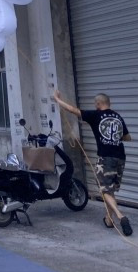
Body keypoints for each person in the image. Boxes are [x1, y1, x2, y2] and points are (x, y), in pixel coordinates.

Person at [53, 89, 133, 236]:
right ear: (109, 103)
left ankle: (120, 216)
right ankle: (109, 220)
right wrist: (114, 138)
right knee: (110, 190)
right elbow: (128, 138)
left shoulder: (96, 115)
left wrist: (58, 100)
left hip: (106, 158)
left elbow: (73, 110)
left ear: (97, 104)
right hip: (120, 157)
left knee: (104, 189)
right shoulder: (118, 117)